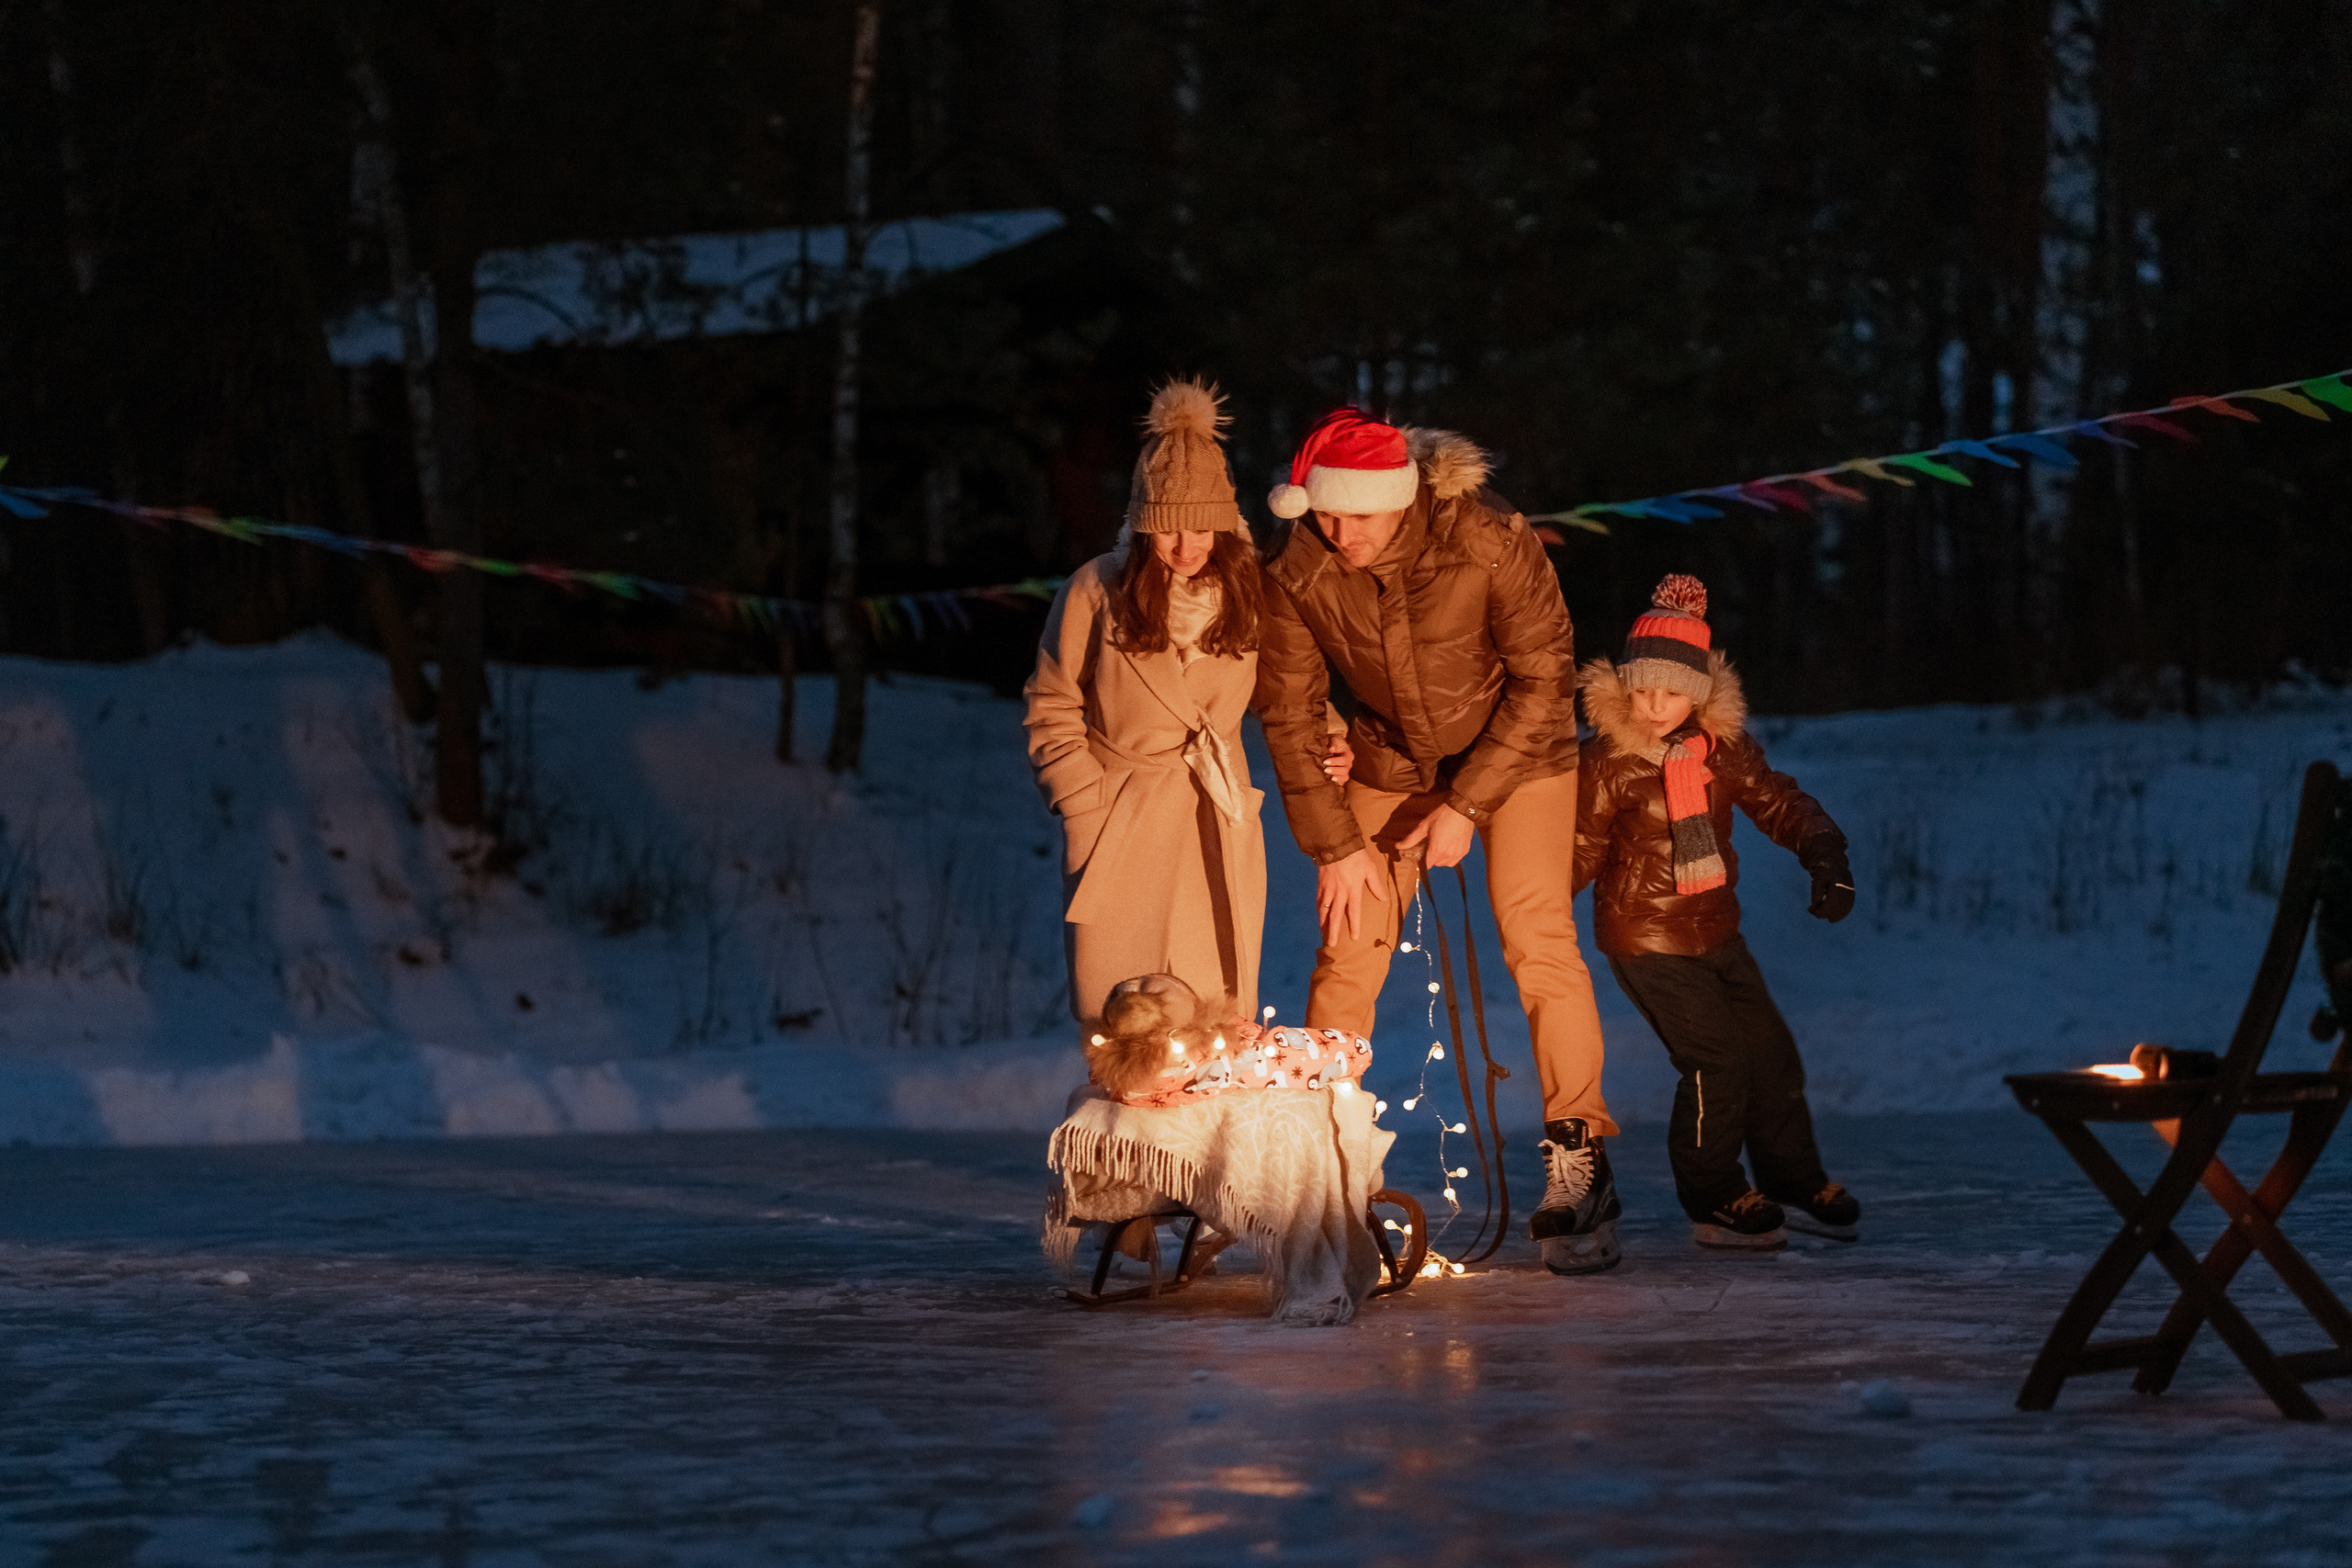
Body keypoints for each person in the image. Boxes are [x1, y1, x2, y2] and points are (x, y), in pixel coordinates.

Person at [1253, 407, 1624, 1276]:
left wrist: (1464, 804)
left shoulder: (1489, 541)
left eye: (1361, 516)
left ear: (1402, 498)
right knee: (1350, 943)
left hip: (1522, 755)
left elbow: (1545, 678)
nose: (1342, 534)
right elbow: (1290, 711)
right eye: (1328, 514)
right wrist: (1337, 844)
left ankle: (1581, 1160)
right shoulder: (1300, 571)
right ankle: (1324, 1167)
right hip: (1390, 755)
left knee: (1535, 932)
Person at [1023, 378, 1347, 1031]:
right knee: (1121, 1014)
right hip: (1121, 811)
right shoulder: (1095, 589)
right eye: (1169, 528)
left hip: (1214, 809)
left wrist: (1330, 736)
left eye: (1202, 525)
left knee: (1212, 1008)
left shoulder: (1251, 590)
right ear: (1144, 525)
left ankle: (1206, 1132)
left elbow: (1288, 685)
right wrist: (1082, 799)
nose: (1186, 544)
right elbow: (1051, 700)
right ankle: (1121, 1130)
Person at [1574, 573, 1862, 1249]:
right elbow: (1577, 848)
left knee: (1771, 1054)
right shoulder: (1608, 762)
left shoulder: (1721, 752)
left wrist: (1824, 852)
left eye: (1670, 692)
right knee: (1715, 1060)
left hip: (1715, 929)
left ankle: (1790, 1177)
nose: (1652, 705)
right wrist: (1536, 911)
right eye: (1640, 688)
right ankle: (1713, 1195)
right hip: (1643, 935)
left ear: (1698, 692)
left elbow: (1779, 801)